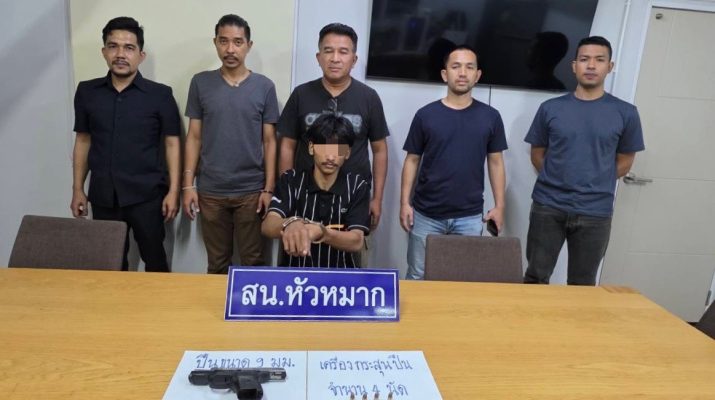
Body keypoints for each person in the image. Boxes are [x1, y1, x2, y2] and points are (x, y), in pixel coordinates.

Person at [523, 36, 645, 285]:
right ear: (574, 65)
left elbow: (625, 160)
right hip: (548, 206)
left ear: (609, 66)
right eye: (584, 59)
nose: (591, 65)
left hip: (595, 212)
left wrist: (595, 179)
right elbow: (537, 153)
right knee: (536, 277)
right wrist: (557, 177)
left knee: (583, 284)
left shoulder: (626, 113)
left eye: (599, 60)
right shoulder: (550, 108)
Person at [71, 16, 180, 272]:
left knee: (155, 262)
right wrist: (77, 188)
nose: (120, 54)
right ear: (104, 51)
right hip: (103, 196)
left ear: (141, 55)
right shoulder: (87, 92)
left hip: (148, 195)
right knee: (109, 265)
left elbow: (173, 144)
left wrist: (174, 191)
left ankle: (157, 301)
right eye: (113, 46)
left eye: (129, 47)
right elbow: (83, 140)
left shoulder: (160, 94)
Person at [182, 14, 280, 274]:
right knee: (217, 264)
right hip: (211, 190)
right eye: (223, 41)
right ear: (215, 42)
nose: (230, 49)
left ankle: (250, 304)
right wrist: (188, 185)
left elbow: (270, 141)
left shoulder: (264, 87)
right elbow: (194, 136)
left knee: (253, 262)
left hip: (251, 191)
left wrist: (269, 188)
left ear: (249, 45)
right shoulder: (200, 83)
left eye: (237, 42)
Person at [400, 45, 508, 280]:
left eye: (469, 67)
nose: (462, 73)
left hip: (469, 216)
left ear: (477, 75)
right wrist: (404, 203)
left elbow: (496, 163)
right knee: (417, 275)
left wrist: (500, 206)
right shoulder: (425, 115)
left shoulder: (491, 117)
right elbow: (412, 160)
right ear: (444, 74)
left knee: (464, 280)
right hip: (426, 214)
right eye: (456, 66)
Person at [277, 23, 388, 236]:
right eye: (328, 51)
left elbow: (380, 150)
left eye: (343, 52)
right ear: (319, 57)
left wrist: (377, 199)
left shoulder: (369, 97)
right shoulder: (301, 94)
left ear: (353, 59)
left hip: (353, 198)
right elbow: (287, 146)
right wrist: (286, 192)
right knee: (300, 250)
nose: (335, 58)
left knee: (351, 250)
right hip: (305, 196)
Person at [263, 113, 370, 268]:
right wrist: (291, 223)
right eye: (324, 148)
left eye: (338, 150)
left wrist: (323, 233)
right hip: (295, 275)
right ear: (311, 148)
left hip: (341, 276)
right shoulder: (291, 180)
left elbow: (356, 241)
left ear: (347, 153)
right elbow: (268, 225)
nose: (331, 157)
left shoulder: (357, 186)